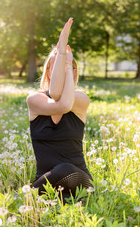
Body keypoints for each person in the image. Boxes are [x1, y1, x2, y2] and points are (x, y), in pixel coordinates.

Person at [26, 17, 93, 201]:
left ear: (73, 72)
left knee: (66, 169)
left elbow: (63, 102)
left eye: (67, 68)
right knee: (59, 173)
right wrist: (61, 52)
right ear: (48, 71)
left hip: (79, 180)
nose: (62, 70)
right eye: (56, 67)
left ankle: (60, 202)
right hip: (46, 181)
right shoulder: (34, 100)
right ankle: (60, 203)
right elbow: (56, 96)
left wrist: (64, 60)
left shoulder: (81, 100)